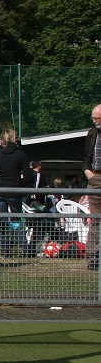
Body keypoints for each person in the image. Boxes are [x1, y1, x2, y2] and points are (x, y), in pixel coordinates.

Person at [0, 127, 31, 257]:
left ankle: (6, 250)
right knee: (17, 219)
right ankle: (25, 249)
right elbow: (27, 176)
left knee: (3, 220)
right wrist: (20, 185)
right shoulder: (21, 155)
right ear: (13, 139)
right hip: (15, 191)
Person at [83, 104, 101, 271]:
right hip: (95, 177)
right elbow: (86, 155)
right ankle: (93, 258)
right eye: (94, 118)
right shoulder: (92, 133)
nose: (95, 121)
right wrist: (88, 171)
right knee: (95, 220)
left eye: (98, 118)